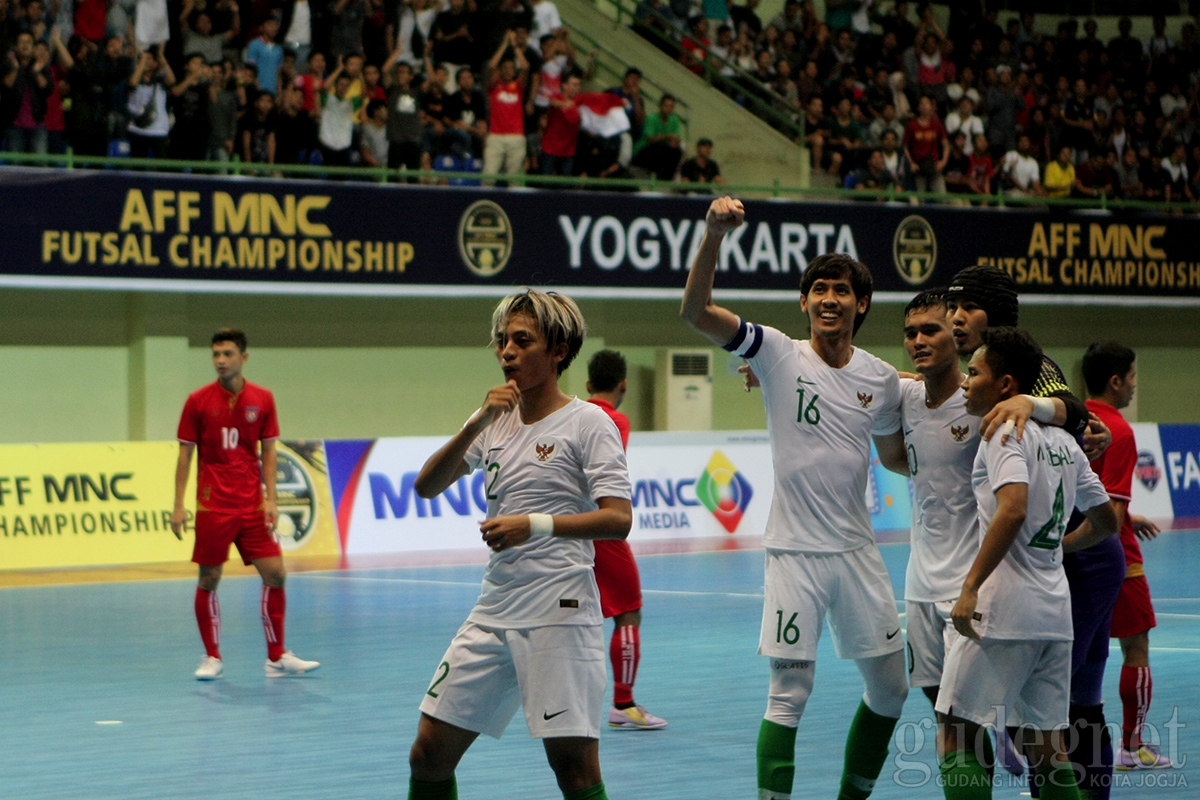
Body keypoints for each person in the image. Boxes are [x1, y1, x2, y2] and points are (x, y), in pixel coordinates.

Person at [681, 197, 909, 800]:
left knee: (892, 687)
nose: (830, 298)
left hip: (858, 551)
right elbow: (696, 311)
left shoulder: (883, 379)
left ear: (861, 304)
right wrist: (713, 236)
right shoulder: (778, 353)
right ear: (804, 303)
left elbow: (894, 457)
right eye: (819, 290)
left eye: (841, 289)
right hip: (795, 554)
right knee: (790, 693)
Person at [407, 290, 632, 800]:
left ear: (558, 350)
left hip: (560, 611)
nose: (506, 351)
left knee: (574, 770)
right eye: (503, 341)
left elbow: (619, 519)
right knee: (428, 754)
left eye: (522, 340)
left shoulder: (589, 423)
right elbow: (426, 486)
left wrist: (535, 525)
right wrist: (475, 423)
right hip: (494, 608)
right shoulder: (494, 421)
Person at [938, 326, 1117, 800]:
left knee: (957, 730)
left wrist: (971, 586)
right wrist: (1056, 547)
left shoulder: (1002, 432)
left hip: (1001, 609)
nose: (964, 381)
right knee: (1049, 750)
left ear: (1005, 385)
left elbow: (1013, 507)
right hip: (1054, 614)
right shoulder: (1064, 441)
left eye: (973, 373)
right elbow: (1104, 522)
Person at [170, 329, 319, 681]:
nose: (220, 360)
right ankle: (211, 656)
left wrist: (271, 498)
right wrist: (178, 505)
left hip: (252, 506)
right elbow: (185, 455)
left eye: (227, 354)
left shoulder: (263, 399)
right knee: (209, 578)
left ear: (243, 357)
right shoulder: (197, 401)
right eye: (216, 354)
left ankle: (277, 657)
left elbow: (269, 450)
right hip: (213, 506)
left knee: (276, 574)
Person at [875, 291, 982, 717]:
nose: (918, 340)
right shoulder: (905, 396)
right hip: (919, 582)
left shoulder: (982, 401)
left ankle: (1010, 741)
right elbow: (848, 379)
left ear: (955, 336)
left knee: (962, 708)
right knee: (935, 697)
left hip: (970, 580)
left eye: (930, 331)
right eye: (910, 333)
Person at [1081, 342, 1172, 771]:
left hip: (1075, 551)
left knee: (1076, 652)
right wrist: (1122, 519)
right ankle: (1132, 746)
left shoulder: (1074, 417)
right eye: (1133, 377)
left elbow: (1089, 489)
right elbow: (1110, 510)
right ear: (1116, 381)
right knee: (1135, 645)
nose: (1135, 385)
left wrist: (1127, 515)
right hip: (1113, 555)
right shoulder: (1119, 429)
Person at [582, 349, 667, 732]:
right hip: (604, 527)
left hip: (569, 526)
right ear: (624, 385)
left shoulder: (572, 415)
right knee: (628, 611)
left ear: (586, 385)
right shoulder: (617, 421)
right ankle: (623, 703)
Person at [632, 93, 683, 181]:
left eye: (671, 107)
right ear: (660, 105)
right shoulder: (651, 118)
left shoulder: (674, 120)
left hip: (663, 150)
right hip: (644, 151)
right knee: (658, 148)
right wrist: (667, 136)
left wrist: (674, 142)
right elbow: (651, 139)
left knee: (677, 151)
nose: (668, 109)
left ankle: (666, 179)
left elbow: (677, 138)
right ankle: (652, 176)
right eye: (666, 106)